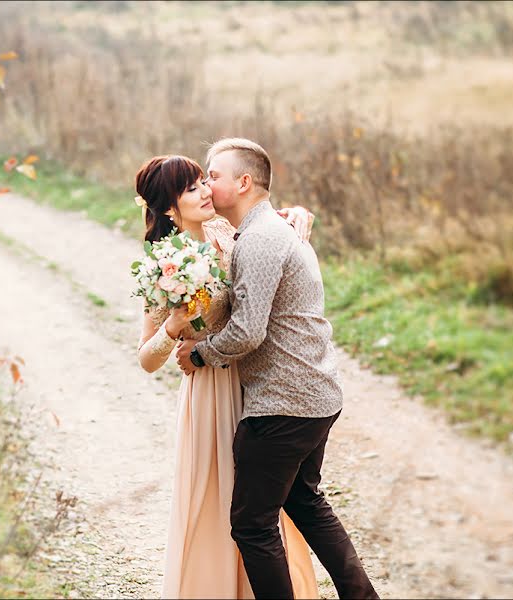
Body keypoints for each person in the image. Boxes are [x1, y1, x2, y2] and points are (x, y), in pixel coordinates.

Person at [176, 139, 379, 599]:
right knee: (306, 503)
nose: (207, 184)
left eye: (213, 175)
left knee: (252, 526)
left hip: (284, 404)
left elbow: (247, 332)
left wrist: (199, 354)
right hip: (315, 395)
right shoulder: (266, 231)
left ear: (243, 182)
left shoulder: (261, 239)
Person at [134, 154, 318, 599]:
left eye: (203, 181)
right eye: (192, 188)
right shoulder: (164, 263)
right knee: (218, 501)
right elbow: (146, 357)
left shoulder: (225, 232)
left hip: (254, 378)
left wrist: (295, 215)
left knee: (260, 502)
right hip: (208, 391)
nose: (205, 192)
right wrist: (173, 328)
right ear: (169, 209)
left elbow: (268, 230)